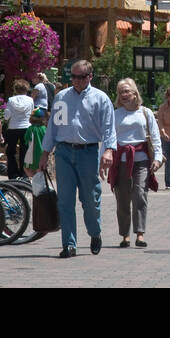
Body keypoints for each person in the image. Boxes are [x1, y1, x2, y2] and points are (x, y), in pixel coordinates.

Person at [33, 59, 117, 258]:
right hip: (63, 152)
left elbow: (108, 128)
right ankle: (69, 244)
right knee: (65, 200)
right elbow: (53, 128)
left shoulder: (100, 98)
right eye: (73, 76)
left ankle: (95, 233)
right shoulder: (62, 97)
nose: (76, 80)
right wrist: (45, 154)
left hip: (88, 152)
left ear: (90, 77)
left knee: (90, 199)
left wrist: (108, 151)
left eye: (80, 77)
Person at [110, 79, 162, 248]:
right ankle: (124, 235)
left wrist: (158, 158)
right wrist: (103, 160)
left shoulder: (145, 113)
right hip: (121, 161)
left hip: (142, 161)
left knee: (140, 195)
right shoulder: (115, 114)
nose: (123, 95)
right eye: (120, 92)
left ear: (134, 93)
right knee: (122, 198)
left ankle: (140, 234)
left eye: (126, 91)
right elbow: (108, 139)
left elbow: (155, 137)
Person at [2, 79, 34, 179]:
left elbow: (7, 115)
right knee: (24, 152)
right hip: (26, 127)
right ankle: (24, 174)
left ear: (16, 89)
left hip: (13, 127)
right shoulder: (30, 100)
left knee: (10, 151)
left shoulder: (11, 100)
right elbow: (32, 113)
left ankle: (13, 173)